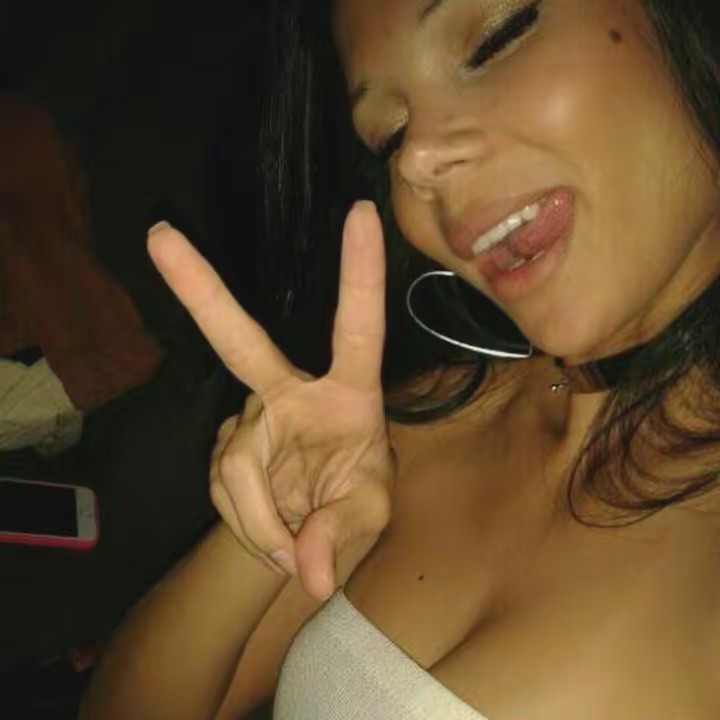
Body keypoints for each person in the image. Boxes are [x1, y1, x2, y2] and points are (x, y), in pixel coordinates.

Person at [80, 0, 720, 718]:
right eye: (389, 137)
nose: (416, 161)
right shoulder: (429, 419)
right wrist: (265, 532)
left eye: (496, 39)